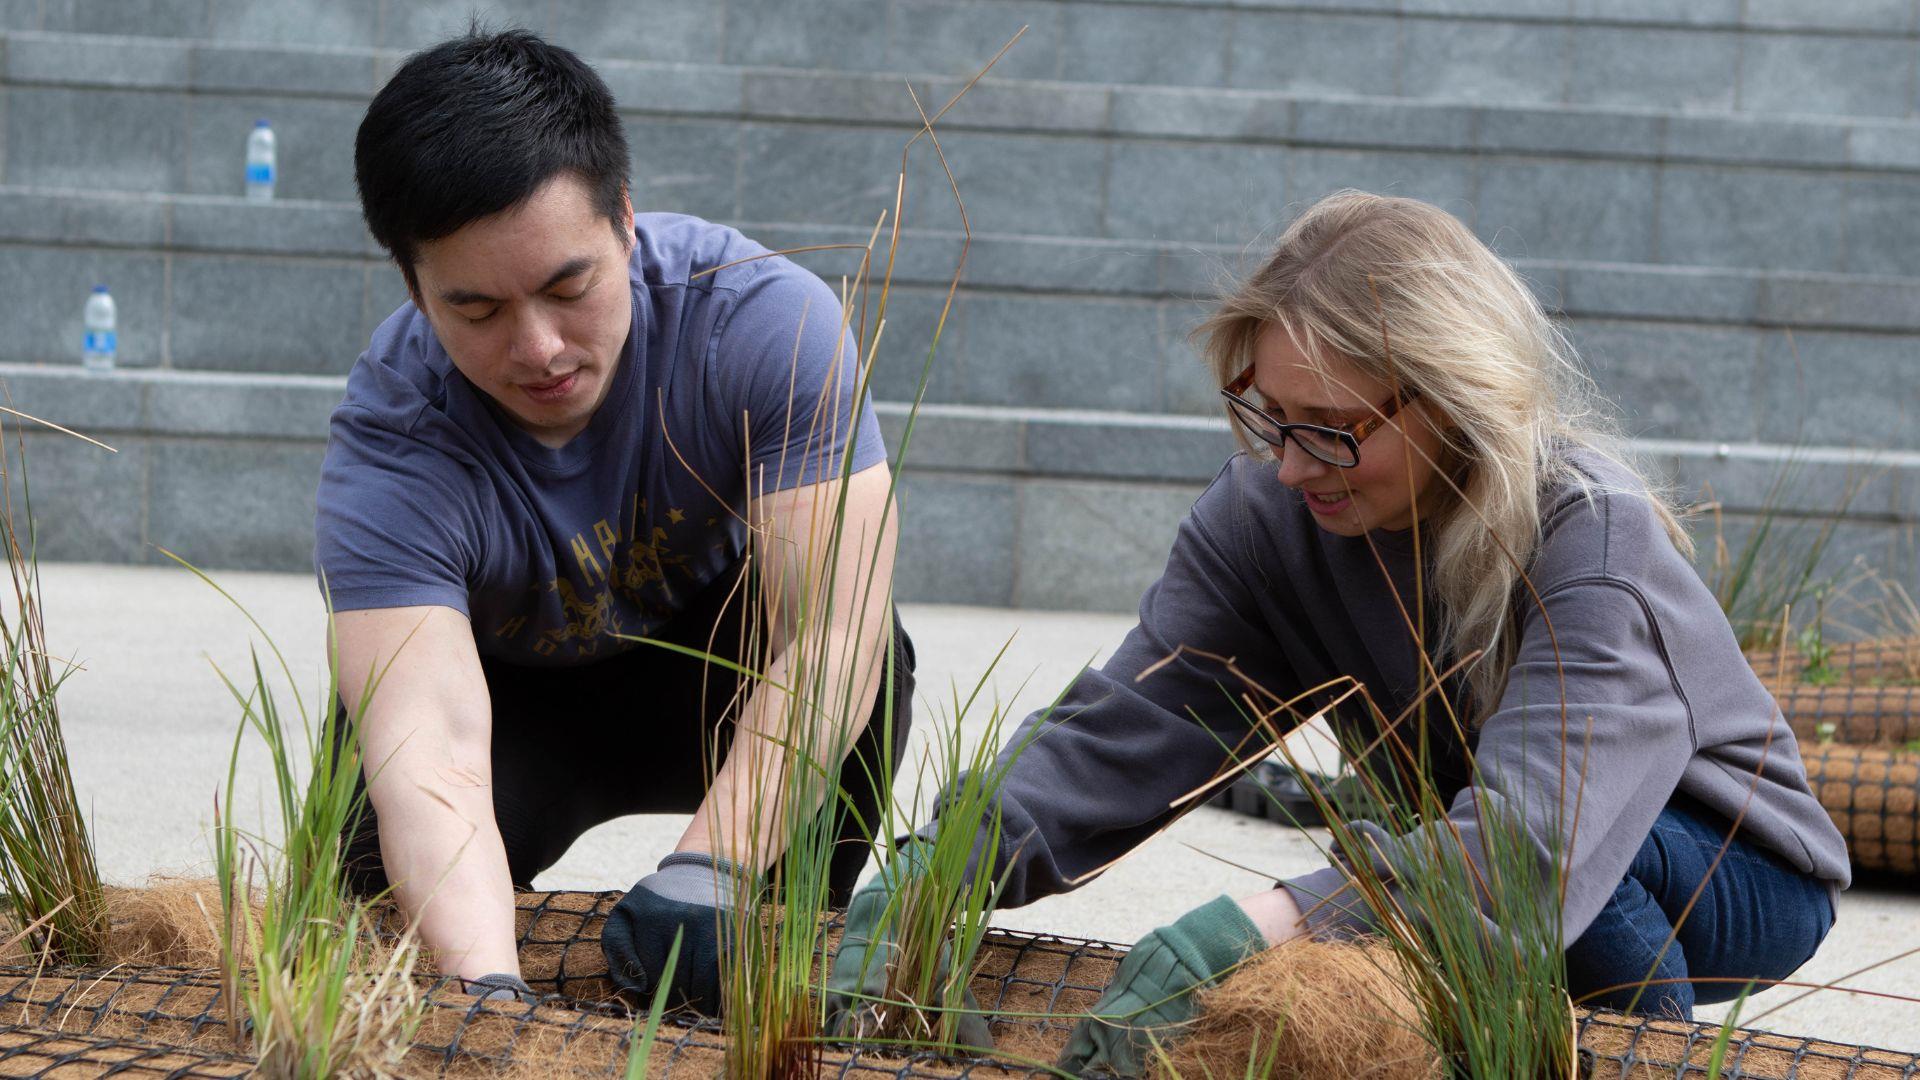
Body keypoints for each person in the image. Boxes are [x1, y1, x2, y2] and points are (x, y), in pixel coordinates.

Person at [828, 192, 1849, 1074]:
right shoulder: (1267, 522)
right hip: (1486, 838)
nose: (1290, 466)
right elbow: (1127, 727)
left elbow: (1532, 844)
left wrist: (1256, 929)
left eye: (1330, 427)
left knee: (1578, 897)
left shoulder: (1587, 531)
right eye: (1267, 416)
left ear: (1454, 398)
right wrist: (938, 869)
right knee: (1456, 894)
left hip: (1726, 862)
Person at [316, 29, 907, 1012]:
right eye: (477, 310)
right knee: (382, 920)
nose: (540, 349)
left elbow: (833, 634)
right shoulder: (394, 436)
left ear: (626, 221)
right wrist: (485, 998)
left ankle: (763, 946)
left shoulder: (768, 325)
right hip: (509, 699)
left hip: (718, 675)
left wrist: (707, 877)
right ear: (414, 288)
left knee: (876, 666)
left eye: (567, 287)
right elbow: (429, 740)